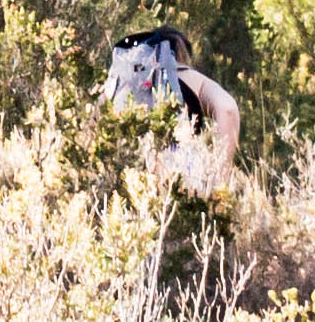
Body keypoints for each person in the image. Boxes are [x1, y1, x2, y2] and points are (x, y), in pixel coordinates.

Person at [102, 26, 244, 196]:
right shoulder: (190, 77)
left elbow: (95, 120)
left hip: (125, 173)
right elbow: (228, 108)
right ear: (182, 54)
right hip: (178, 174)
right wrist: (221, 177)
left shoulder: (121, 82)